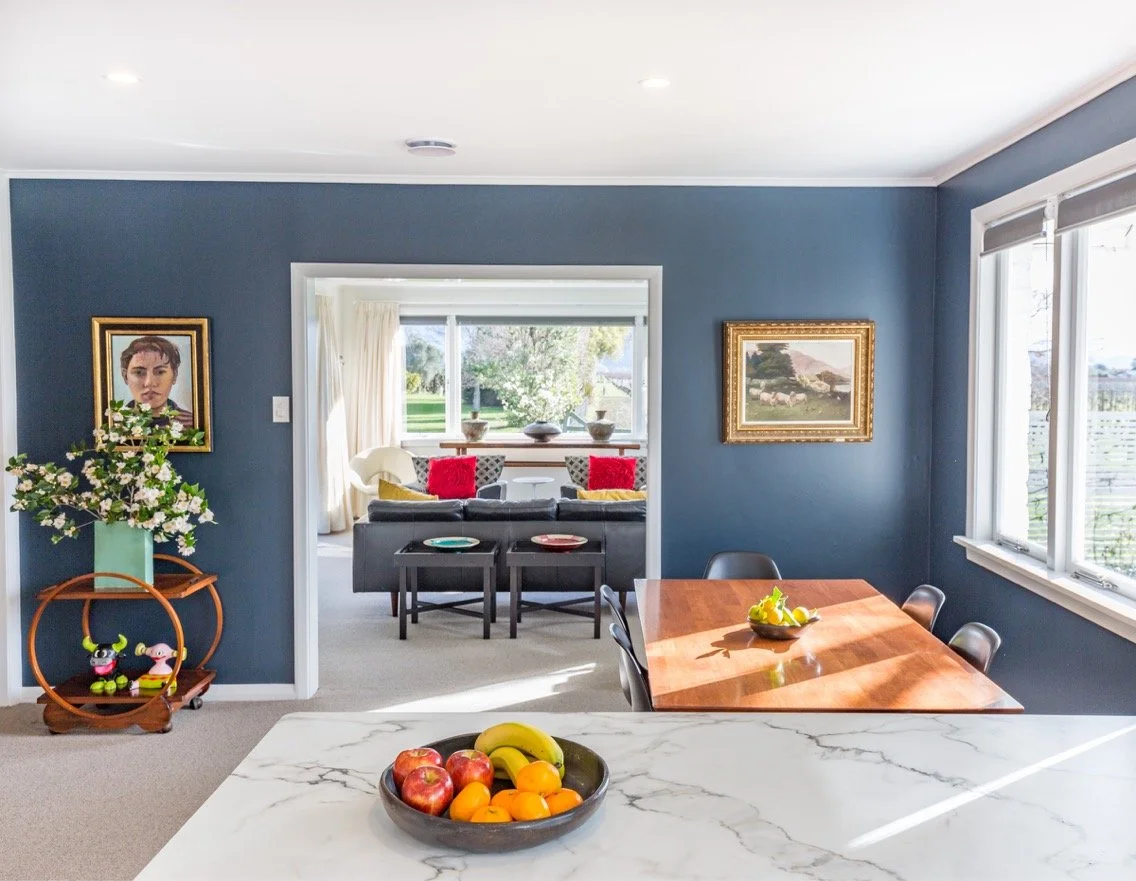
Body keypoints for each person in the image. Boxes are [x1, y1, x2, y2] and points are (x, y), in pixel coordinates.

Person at [119, 335, 195, 428]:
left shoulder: (193, 423)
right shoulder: (113, 424)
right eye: (139, 372)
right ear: (125, 376)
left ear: (174, 375)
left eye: (160, 372)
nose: (149, 383)